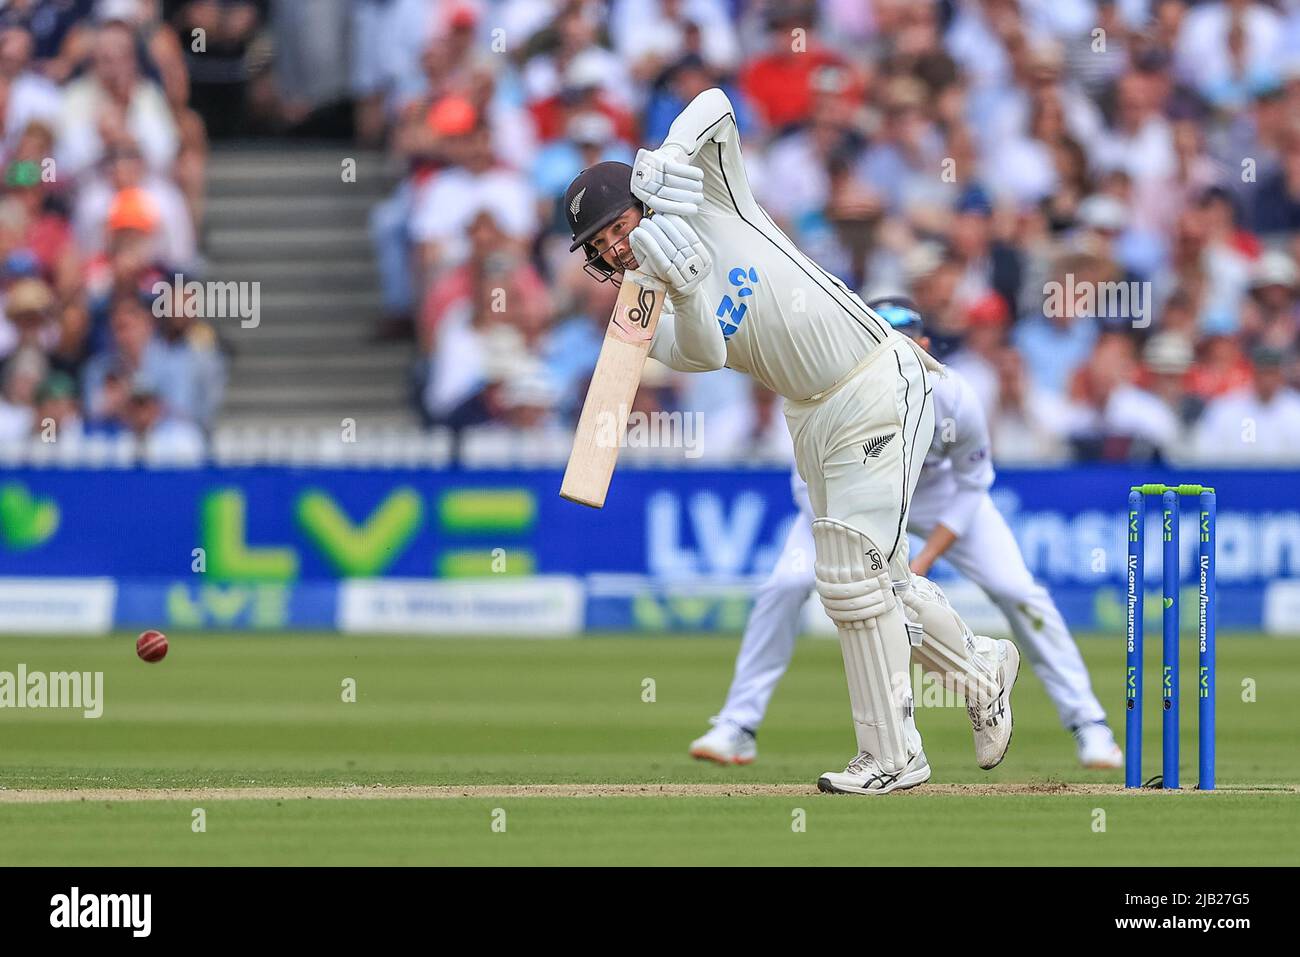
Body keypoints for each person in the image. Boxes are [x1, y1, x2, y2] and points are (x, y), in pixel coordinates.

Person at [563, 88, 1020, 795]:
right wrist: (685, 290)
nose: (613, 248)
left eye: (615, 226)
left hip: (873, 373)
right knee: (883, 581)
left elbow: (715, 102)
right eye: (599, 246)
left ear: (644, 199)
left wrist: (670, 155)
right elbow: (706, 350)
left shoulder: (710, 194)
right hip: (811, 413)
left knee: (848, 575)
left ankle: (894, 754)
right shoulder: (645, 302)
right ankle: (979, 669)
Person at [687, 298, 1123, 771]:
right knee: (785, 584)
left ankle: (1090, 725)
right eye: (880, 335)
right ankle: (738, 726)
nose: (893, 347)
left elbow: (973, 482)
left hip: (939, 496)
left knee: (1018, 591)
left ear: (926, 344)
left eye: (904, 337)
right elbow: (809, 487)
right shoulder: (831, 393)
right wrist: (872, 557)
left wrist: (921, 560)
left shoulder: (954, 395)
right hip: (849, 503)